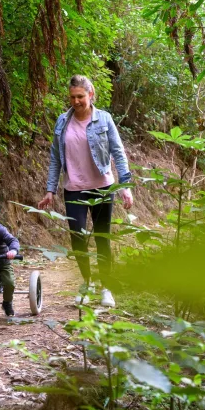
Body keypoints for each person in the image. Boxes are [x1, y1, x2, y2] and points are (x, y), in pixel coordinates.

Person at [37, 75, 133, 308]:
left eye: (80, 96)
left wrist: (125, 186)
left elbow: (118, 152)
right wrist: (50, 190)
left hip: (102, 187)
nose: (76, 101)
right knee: (78, 239)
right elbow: (55, 158)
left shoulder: (105, 119)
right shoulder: (62, 122)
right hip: (74, 189)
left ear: (91, 95)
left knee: (102, 238)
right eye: (72, 97)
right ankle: (87, 283)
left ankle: (106, 288)